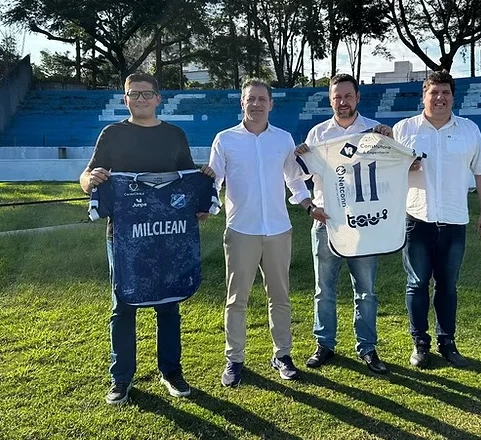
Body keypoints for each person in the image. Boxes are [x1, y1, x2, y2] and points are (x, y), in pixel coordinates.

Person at [79, 72, 215, 404]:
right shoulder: (112, 134)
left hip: (169, 237)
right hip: (123, 236)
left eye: (146, 94)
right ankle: (121, 378)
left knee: (168, 304)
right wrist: (90, 179)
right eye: (134, 94)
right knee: (123, 305)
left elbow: (186, 178)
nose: (140, 99)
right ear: (125, 99)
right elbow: (86, 177)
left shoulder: (174, 135)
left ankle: (172, 372)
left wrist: (203, 183)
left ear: (158, 98)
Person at [209, 78, 313, 387]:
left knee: (280, 297)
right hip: (241, 229)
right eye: (250, 99)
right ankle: (234, 359)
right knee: (236, 299)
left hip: (278, 230)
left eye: (261, 99)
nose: (256, 104)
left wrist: (309, 206)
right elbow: (214, 182)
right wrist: (206, 206)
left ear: (271, 104)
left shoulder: (283, 139)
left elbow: (294, 179)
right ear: (242, 103)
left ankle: (282, 355)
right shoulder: (225, 139)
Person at [393, 70, 481, 369]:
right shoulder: (404, 130)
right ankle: (420, 343)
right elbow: (385, 173)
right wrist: (404, 167)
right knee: (417, 283)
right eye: (433, 92)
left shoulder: (469, 130)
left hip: (454, 221)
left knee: (448, 285)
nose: (440, 98)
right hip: (416, 220)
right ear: (423, 96)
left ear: (453, 96)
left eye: (445, 92)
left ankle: (447, 342)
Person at [296, 74, 393, 374]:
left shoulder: (374, 132)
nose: (342, 102)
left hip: (364, 224)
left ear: (358, 97)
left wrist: (391, 141)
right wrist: (308, 204)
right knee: (324, 289)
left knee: (366, 290)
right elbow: (297, 175)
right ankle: (324, 343)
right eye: (337, 96)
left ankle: (367, 347)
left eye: (348, 96)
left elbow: (395, 169)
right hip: (327, 222)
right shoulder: (318, 134)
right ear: (330, 100)